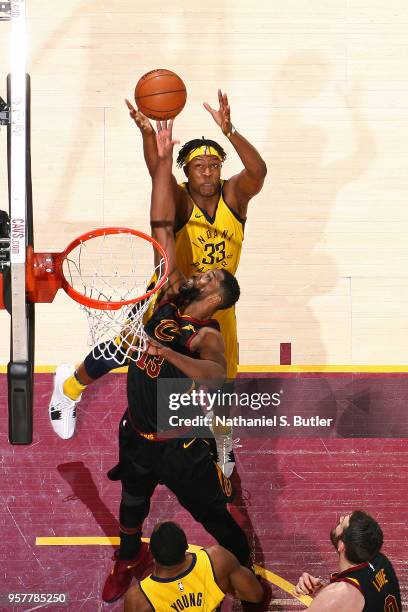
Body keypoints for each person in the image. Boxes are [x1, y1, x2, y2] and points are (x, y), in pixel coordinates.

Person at [49, 89, 267, 477]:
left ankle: (222, 438)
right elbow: (159, 177)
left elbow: (258, 172)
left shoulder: (234, 198)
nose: (207, 170)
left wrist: (229, 129)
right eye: (199, 164)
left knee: (222, 378)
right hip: (171, 291)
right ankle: (68, 389)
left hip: (217, 305)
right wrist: (152, 141)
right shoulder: (180, 201)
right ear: (186, 171)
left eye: (214, 164)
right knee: (126, 349)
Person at [101, 121, 254, 605]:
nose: (198, 271)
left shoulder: (209, 336)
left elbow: (215, 377)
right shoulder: (167, 289)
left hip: (180, 441)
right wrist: (161, 159)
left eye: (207, 274)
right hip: (139, 433)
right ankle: (127, 556)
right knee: (132, 504)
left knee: (218, 515)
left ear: (216, 297)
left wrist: (165, 352)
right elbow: (161, 223)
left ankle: (238, 562)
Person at [123, 521, 270, 612]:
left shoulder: (139, 598)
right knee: (263, 590)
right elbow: (256, 595)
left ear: (152, 556)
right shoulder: (216, 559)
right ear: (187, 547)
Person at [294, 511, 402, 611]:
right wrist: (321, 590)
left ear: (341, 546)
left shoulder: (342, 593)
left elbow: (344, 598)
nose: (340, 518)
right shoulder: (381, 561)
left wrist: (328, 596)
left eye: (341, 524)